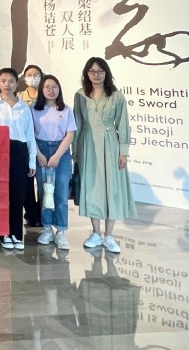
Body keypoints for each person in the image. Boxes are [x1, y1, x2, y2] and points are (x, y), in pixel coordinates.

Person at [73, 57, 135, 254]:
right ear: (86, 73)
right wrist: (75, 148)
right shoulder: (80, 95)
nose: (96, 74)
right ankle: (95, 233)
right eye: (92, 71)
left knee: (111, 188)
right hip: (87, 144)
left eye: (100, 71)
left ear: (106, 73)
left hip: (110, 144)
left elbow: (123, 125)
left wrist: (123, 152)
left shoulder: (116, 96)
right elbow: (77, 122)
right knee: (92, 187)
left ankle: (109, 235)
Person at [0, 68, 37, 251]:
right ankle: (3, 233)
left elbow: (30, 135)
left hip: (20, 151)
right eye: (3, 81)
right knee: (1, 194)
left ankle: (16, 233)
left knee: (18, 194)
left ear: (16, 84)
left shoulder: (24, 107)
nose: (7, 84)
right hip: (0, 151)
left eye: (11, 81)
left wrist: (32, 160)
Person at [32, 75, 76, 251]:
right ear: (41, 90)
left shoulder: (66, 110)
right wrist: (39, 154)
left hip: (61, 153)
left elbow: (70, 135)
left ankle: (61, 231)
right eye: (47, 87)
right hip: (41, 150)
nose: (51, 90)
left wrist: (57, 156)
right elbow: (30, 134)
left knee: (60, 193)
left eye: (54, 87)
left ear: (59, 89)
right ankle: (47, 229)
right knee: (44, 193)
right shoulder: (33, 109)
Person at [18, 63, 44, 227]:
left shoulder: (46, 95)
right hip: (26, 142)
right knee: (28, 181)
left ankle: (42, 213)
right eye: (29, 75)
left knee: (43, 182)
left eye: (36, 75)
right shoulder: (19, 97)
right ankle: (31, 213)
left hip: (43, 142)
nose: (32, 78)